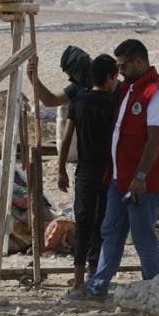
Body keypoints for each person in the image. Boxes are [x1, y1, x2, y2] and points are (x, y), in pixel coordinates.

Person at [73, 39, 159, 301]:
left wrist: (140, 177)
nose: (120, 72)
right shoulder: (130, 90)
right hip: (120, 180)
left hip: (144, 184)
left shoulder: (157, 94)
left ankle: (153, 289)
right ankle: (98, 286)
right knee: (111, 231)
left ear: (139, 62)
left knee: (143, 237)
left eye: (123, 67)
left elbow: (154, 140)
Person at [60, 54, 119, 290]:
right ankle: (97, 275)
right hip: (108, 171)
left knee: (83, 221)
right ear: (109, 78)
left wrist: (61, 168)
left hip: (84, 171)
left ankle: (78, 279)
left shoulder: (79, 102)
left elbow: (66, 138)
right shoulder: (115, 104)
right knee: (103, 222)